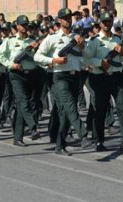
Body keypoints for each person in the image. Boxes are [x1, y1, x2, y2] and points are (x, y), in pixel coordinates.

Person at [34, 8, 93, 155]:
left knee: (65, 112)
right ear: (59, 21)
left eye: (69, 17)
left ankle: (60, 145)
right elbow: (37, 57)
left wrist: (82, 46)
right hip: (59, 76)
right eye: (65, 18)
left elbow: (88, 56)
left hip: (75, 76)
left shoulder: (77, 37)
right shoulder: (52, 38)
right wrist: (54, 60)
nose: (68, 20)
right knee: (71, 106)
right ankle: (84, 135)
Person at [84, 12, 123, 152]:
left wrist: (122, 53)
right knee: (100, 111)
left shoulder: (117, 39)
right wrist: (100, 62)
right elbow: (86, 60)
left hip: (116, 77)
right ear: (100, 24)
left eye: (109, 21)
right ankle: (98, 140)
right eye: (104, 22)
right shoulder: (94, 41)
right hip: (100, 78)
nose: (107, 24)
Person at [0, 15, 41, 146]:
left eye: (26, 25)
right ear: (17, 26)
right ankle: (33, 127)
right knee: (23, 101)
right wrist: (10, 64)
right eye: (22, 25)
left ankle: (18, 137)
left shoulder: (32, 41)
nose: (25, 27)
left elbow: (36, 58)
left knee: (23, 106)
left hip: (30, 74)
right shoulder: (10, 40)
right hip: (16, 75)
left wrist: (36, 48)